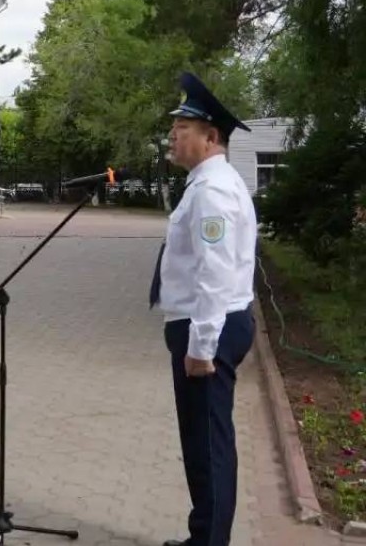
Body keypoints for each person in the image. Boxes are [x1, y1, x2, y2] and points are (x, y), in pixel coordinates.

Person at [150, 72, 258, 546]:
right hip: (205, 324)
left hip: (208, 328)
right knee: (201, 440)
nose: (172, 136)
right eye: (174, 128)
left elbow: (214, 274)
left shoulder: (213, 189)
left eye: (182, 128)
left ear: (211, 136)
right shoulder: (207, 182)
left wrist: (201, 347)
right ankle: (204, 536)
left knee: (208, 444)